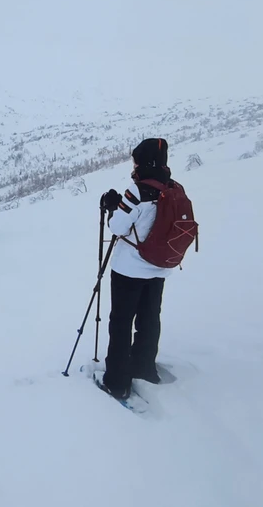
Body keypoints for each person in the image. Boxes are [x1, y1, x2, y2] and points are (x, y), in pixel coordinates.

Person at [99, 138, 174, 399]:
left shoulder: (137, 191)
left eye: (136, 160)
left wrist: (112, 208)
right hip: (159, 268)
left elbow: (117, 228)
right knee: (149, 319)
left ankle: (117, 382)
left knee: (120, 323)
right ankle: (143, 367)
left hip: (129, 270)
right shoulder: (172, 187)